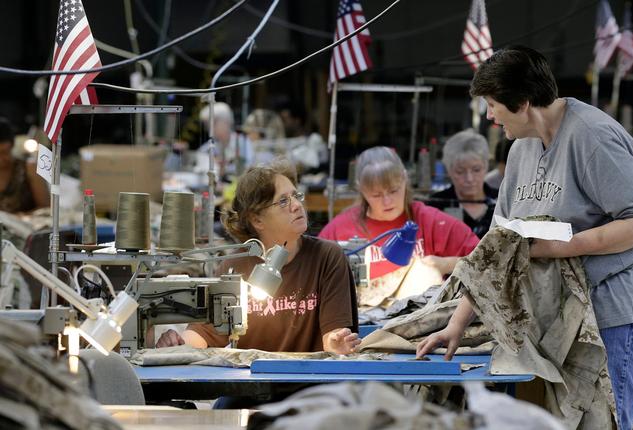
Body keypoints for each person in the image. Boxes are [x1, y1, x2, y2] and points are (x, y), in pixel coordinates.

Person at [416, 46, 633, 430]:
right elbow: (497, 248)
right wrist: (456, 322)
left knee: (606, 420)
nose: (488, 116)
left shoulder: (593, 136)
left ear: (521, 103)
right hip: (564, 315)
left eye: (492, 105)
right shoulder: (521, 148)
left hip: (619, 308)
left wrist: (557, 248)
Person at [156, 158, 360, 355]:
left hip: (308, 383)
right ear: (257, 220)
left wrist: (336, 344)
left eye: (296, 195)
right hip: (251, 386)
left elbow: (333, 337)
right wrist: (178, 344)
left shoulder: (327, 258)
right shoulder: (235, 267)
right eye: (282, 201)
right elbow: (203, 335)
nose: (297, 205)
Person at [319, 146, 479, 282]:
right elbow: (311, 277)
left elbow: (487, 263)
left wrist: (447, 264)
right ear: (361, 189)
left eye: (394, 190)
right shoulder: (338, 232)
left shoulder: (434, 223)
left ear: (405, 179)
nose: (387, 201)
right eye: (376, 195)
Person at [427, 130, 498, 239]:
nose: (469, 179)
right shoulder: (436, 205)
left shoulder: (500, 201)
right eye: (460, 171)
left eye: (476, 170)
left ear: (486, 167)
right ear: (449, 171)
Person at [0, 118, 49, 213]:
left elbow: (45, 208)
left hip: (27, 225)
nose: (1, 158)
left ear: (12, 146)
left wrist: (20, 218)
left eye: (4, 152)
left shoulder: (28, 168)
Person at [198, 102, 252, 178]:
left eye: (213, 122)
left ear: (226, 121)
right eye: (207, 124)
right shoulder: (207, 148)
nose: (209, 128)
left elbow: (249, 168)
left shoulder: (244, 143)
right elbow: (201, 168)